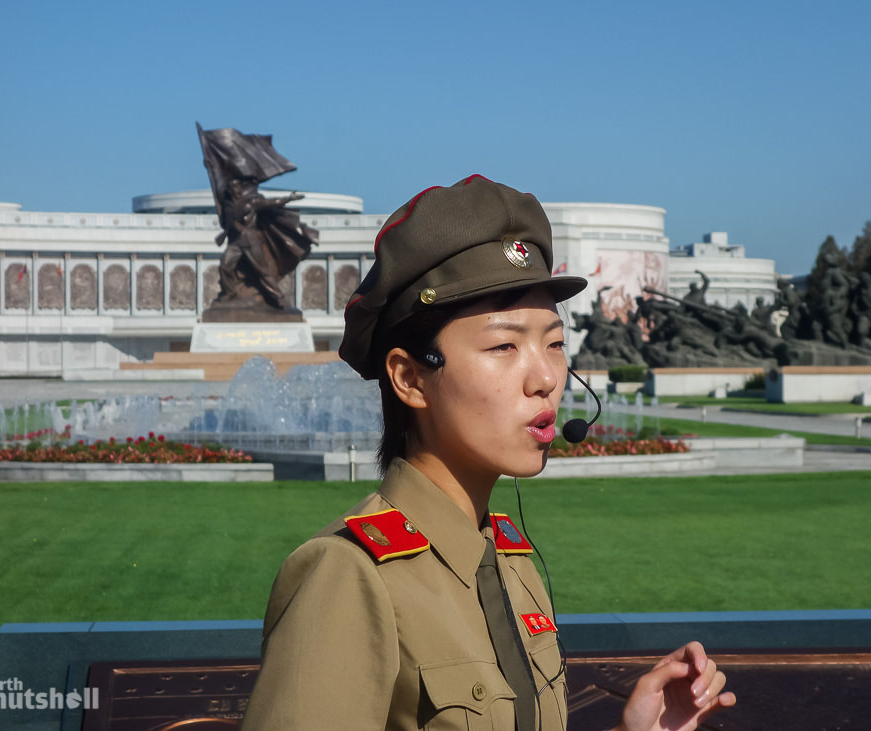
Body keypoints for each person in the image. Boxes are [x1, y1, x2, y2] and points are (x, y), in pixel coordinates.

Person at [241, 175, 735, 730]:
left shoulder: (509, 559)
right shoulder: (350, 576)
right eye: (504, 345)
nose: (546, 378)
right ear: (409, 378)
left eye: (554, 343)